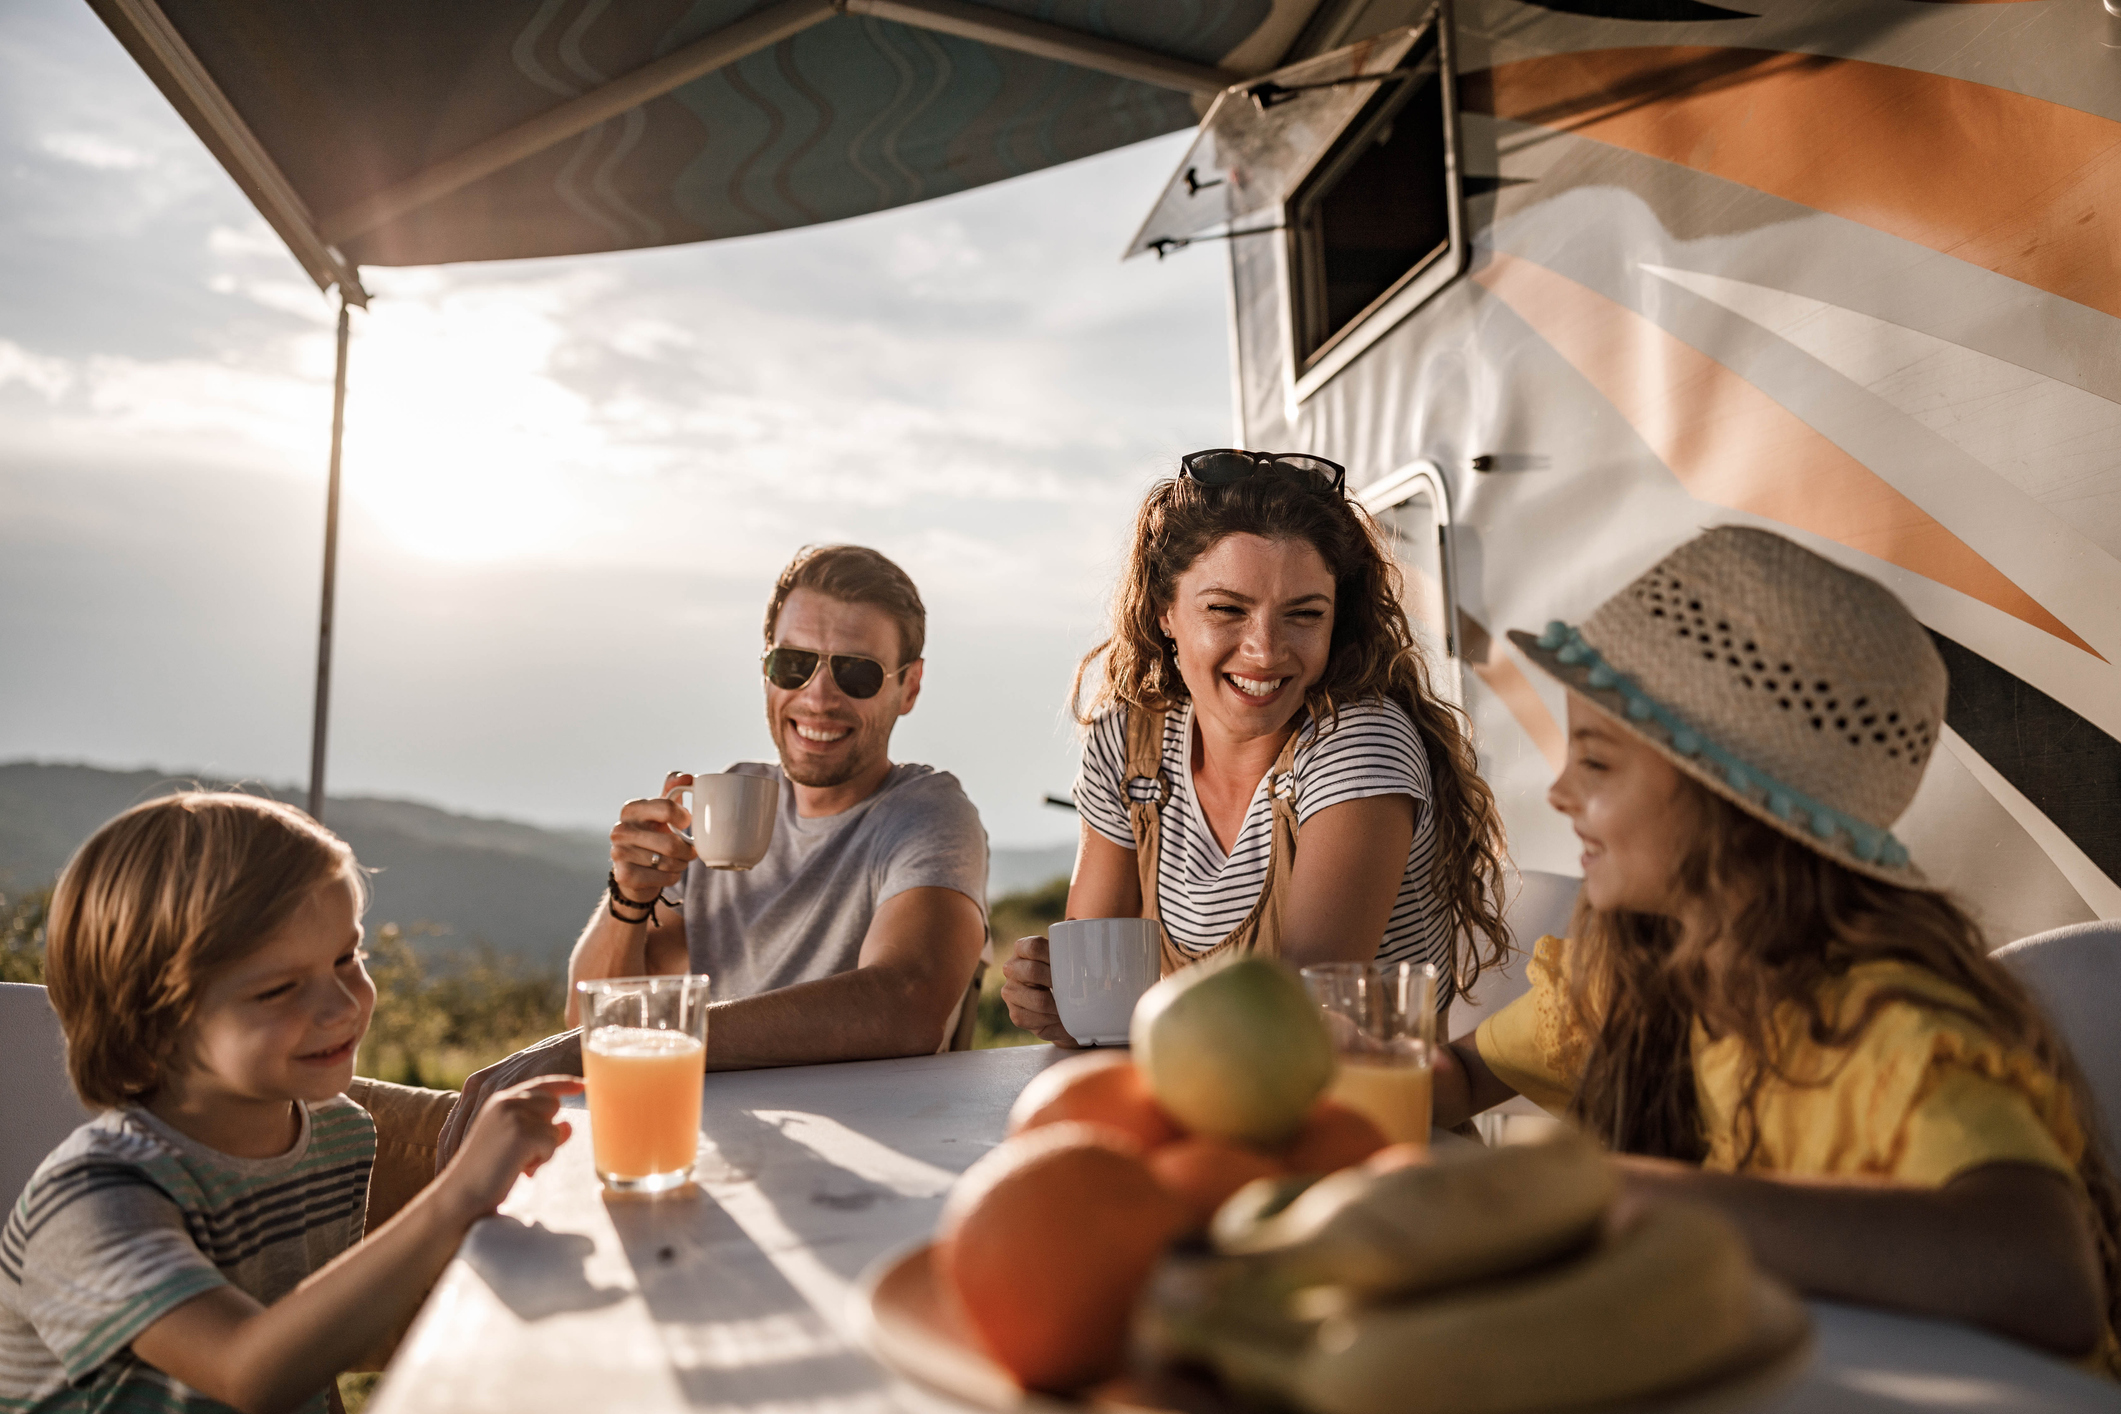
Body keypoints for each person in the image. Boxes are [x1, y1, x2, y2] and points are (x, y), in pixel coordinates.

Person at [1432, 525, 2118, 1369]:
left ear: (1730, 807)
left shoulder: (1884, 1030)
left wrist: (1635, 1200)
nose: (1560, 792)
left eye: (1598, 763)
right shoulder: (1634, 977)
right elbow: (1460, 1076)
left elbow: (2045, 1281)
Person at [0, 792, 576, 1414]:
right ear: (152, 1023)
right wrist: (456, 1197)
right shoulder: (93, 1202)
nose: (342, 1005)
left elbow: (308, 1363)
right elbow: (249, 1374)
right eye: (279, 989)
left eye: (346, 958)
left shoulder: (338, 1134)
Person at [439, 545, 988, 1158]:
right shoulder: (726, 800)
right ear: (766, 669)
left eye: (855, 673)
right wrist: (630, 898)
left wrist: (640, 1033)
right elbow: (586, 1016)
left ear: (908, 686)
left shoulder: (925, 812)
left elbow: (905, 1004)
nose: (818, 697)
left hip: (871, 1158)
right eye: (794, 664)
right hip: (716, 1146)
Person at [1002, 450, 1510, 1045]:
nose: (1265, 651)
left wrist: (1123, 1018)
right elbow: (1097, 995)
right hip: (1191, 1109)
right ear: (1165, 610)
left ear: (1336, 619)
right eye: (1226, 610)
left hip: (1359, 1124)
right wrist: (1060, 1002)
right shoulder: (1128, 742)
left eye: (1303, 615)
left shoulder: (1359, 742)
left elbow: (1293, 1021)